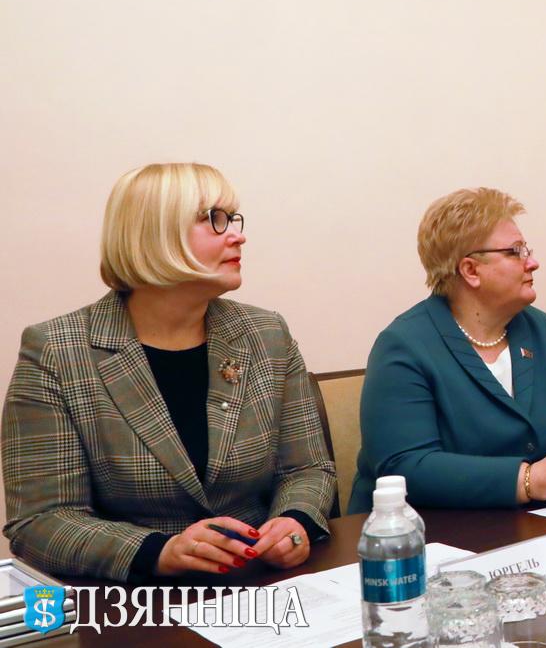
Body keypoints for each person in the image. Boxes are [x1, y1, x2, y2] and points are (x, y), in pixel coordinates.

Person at [2, 164, 336, 582]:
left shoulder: (266, 333)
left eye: (233, 218)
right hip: (136, 601)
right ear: (154, 234)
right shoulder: (56, 351)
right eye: (213, 219)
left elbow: (307, 469)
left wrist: (294, 521)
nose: (237, 235)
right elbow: (41, 521)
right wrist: (159, 551)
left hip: (261, 580)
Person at [350, 188, 546, 512]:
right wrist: (527, 479)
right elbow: (406, 466)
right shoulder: (403, 347)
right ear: (471, 270)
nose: (533, 263)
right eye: (516, 252)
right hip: (428, 534)